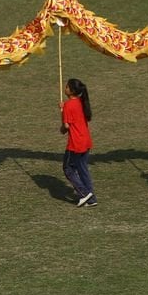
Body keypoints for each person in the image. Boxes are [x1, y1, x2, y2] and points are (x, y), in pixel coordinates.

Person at [61, 78, 97, 207]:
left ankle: (84, 193)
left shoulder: (68, 105)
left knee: (68, 169)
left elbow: (65, 128)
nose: (64, 88)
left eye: (66, 87)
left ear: (71, 91)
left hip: (75, 143)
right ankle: (92, 199)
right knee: (82, 169)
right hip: (86, 140)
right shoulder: (82, 102)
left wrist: (63, 113)